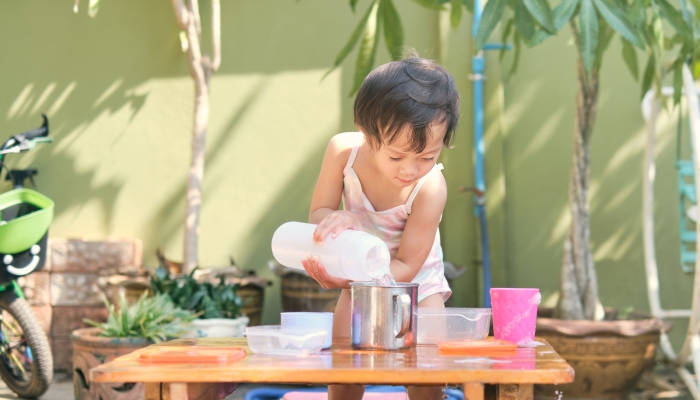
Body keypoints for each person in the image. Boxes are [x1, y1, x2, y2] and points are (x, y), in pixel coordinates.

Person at [302, 53, 460, 400]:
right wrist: (339, 223)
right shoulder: (343, 152)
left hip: (418, 287)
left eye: (427, 157)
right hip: (358, 282)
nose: (410, 169)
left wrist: (351, 277)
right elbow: (319, 214)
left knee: (427, 378)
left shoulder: (430, 187)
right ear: (366, 133)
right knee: (344, 373)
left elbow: (406, 266)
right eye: (396, 155)